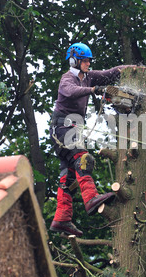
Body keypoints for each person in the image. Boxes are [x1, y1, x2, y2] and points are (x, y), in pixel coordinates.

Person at [49, 42, 134, 237]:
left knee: (68, 178)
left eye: (89, 60)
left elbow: (107, 74)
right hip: (62, 129)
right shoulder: (67, 79)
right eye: (85, 60)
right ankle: (90, 198)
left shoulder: (88, 76)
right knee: (84, 159)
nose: (88, 63)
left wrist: (129, 69)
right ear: (74, 61)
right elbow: (70, 92)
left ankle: (62, 218)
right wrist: (95, 89)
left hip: (72, 129)